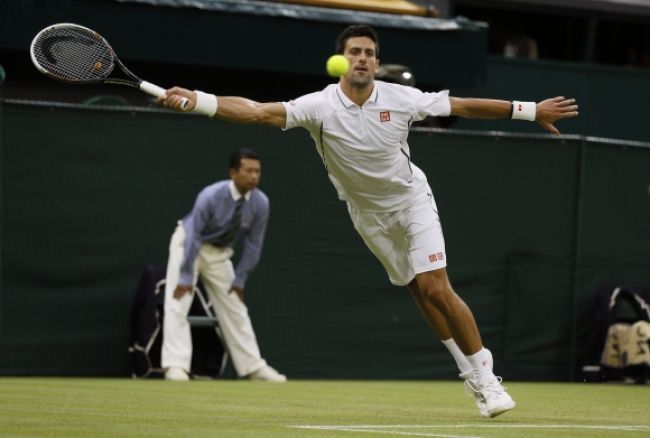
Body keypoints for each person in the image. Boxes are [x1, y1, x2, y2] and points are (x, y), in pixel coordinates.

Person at [158, 24, 578, 416]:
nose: (361, 58)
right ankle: (468, 371)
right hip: (367, 216)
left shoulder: (401, 98)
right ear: (341, 58)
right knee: (419, 292)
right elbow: (257, 112)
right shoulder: (318, 106)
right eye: (354, 51)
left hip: (412, 203)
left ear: (377, 63)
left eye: (369, 53)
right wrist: (199, 100)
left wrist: (530, 110)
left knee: (437, 286)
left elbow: (463, 106)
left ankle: (486, 375)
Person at [161, 148, 286, 382]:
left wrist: (240, 279)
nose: (254, 177)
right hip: (188, 245)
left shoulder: (260, 203)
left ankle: (253, 367)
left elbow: (253, 245)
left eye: (257, 171)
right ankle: (175, 366)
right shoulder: (210, 195)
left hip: (219, 254)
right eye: (248, 171)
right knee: (177, 301)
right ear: (233, 172)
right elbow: (194, 236)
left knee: (236, 307)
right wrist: (186, 276)